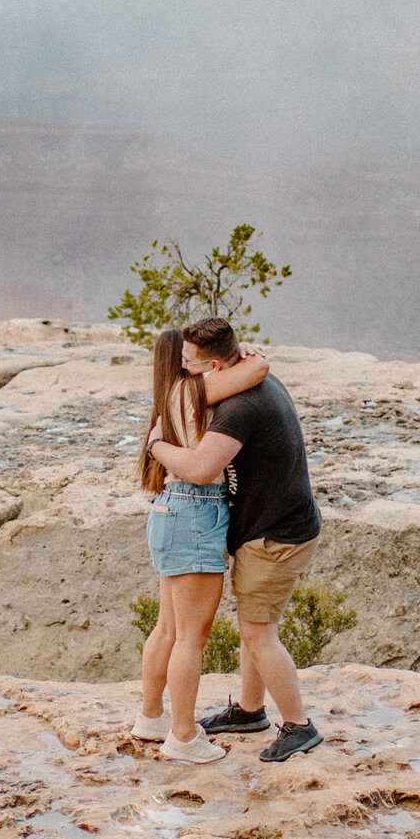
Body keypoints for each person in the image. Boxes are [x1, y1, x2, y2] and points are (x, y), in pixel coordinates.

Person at [148, 315, 327, 762]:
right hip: (266, 525)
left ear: (211, 365)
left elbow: (202, 468)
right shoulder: (240, 383)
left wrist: (155, 445)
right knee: (251, 625)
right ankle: (249, 711)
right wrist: (253, 360)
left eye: (188, 361)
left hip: (276, 534)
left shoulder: (238, 406)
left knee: (257, 631)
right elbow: (249, 369)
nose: (182, 368)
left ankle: (299, 726)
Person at [134, 326, 270, 763]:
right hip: (196, 509)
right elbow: (260, 369)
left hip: (170, 507)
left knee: (169, 628)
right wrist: (247, 355)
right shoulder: (193, 388)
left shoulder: (171, 398)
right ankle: (184, 736)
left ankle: (151, 718)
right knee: (192, 636)